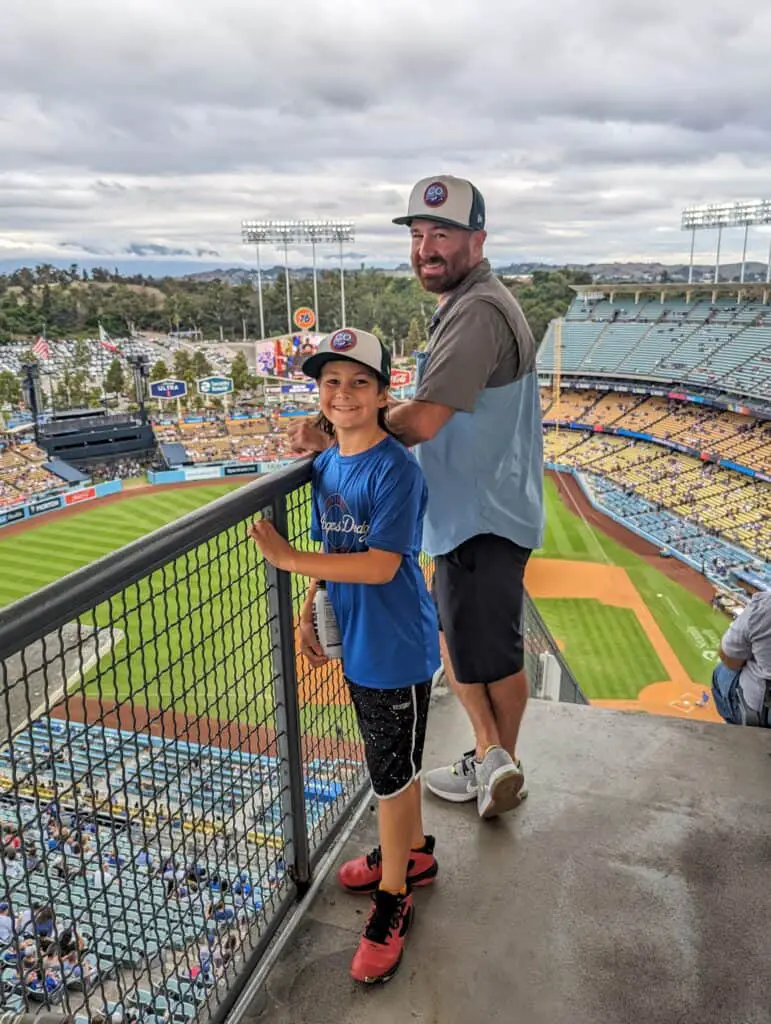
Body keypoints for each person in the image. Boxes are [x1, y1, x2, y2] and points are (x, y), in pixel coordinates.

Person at [288, 175, 544, 820]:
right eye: (420, 235)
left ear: (477, 240)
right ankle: (492, 763)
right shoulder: (467, 303)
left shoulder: (478, 309)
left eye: (444, 235)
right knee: (464, 650)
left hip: (482, 516)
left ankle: (499, 766)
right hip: (469, 514)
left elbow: (424, 420)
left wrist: (342, 429)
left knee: (488, 657)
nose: (427, 248)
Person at [250, 327, 440, 985]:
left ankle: (394, 899)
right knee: (396, 766)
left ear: (386, 393)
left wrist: (283, 559)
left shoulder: (395, 469)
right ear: (319, 393)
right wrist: (307, 610)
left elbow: (383, 565)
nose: (344, 392)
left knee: (387, 775)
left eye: (360, 381)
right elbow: (331, 555)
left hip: (394, 647)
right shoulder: (328, 464)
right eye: (331, 381)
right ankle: (412, 854)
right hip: (359, 642)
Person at [711, 591, 771, 726]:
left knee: (721, 671)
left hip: (762, 714)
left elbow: (729, 658)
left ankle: (738, 735)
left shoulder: (766, 604)